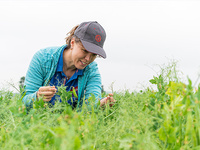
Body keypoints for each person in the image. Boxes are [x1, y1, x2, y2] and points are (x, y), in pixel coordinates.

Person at [22, 21, 115, 110]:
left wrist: (100, 104)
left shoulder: (91, 70)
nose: (88, 58)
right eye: (85, 51)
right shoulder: (42, 58)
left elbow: (90, 104)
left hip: (71, 124)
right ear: (73, 43)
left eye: (94, 55)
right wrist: (37, 97)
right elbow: (24, 101)